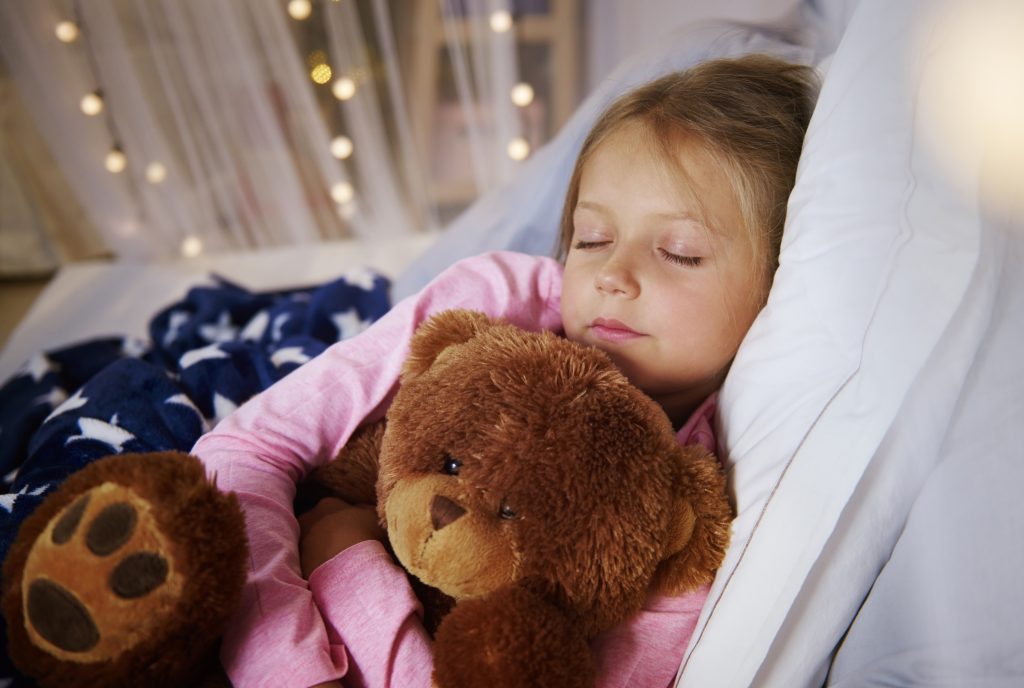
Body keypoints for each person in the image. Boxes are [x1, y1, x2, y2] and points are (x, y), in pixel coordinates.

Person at [191, 54, 818, 688]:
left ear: (779, 283)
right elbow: (244, 448)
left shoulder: (690, 515)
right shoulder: (491, 301)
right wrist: (286, 666)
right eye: (592, 238)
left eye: (678, 253)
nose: (610, 275)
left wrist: (346, 565)